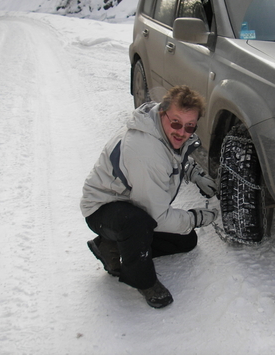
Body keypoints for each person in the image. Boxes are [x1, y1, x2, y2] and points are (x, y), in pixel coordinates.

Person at [80, 85, 218, 309]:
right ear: (162, 112)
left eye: (189, 126)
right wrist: (196, 218)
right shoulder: (146, 151)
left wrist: (195, 174)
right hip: (103, 207)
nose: (181, 131)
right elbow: (158, 216)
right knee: (138, 223)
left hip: (132, 199)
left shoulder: (161, 128)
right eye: (175, 123)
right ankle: (143, 280)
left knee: (186, 240)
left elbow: (175, 156)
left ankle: (110, 246)